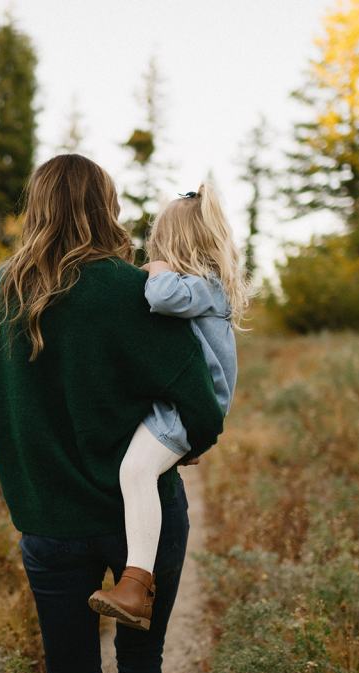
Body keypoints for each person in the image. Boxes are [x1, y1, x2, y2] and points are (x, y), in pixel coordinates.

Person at [0, 154, 225, 673]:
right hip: (139, 516)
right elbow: (201, 400)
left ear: (38, 208)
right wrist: (182, 447)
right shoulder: (127, 287)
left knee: (69, 670)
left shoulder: (11, 285)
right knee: (141, 664)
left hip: (49, 517)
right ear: (105, 207)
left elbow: (6, 406)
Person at [88, 184, 248, 632]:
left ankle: (136, 585)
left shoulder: (203, 287)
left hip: (187, 409)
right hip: (176, 404)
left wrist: (155, 267)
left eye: (158, 242)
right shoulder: (200, 288)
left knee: (135, 472)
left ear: (174, 243)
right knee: (137, 469)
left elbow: (159, 296)